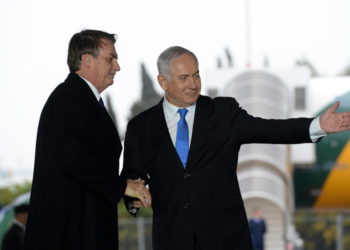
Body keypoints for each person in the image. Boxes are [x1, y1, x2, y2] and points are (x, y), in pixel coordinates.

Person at [121, 46, 350, 250]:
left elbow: (268, 129)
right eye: (183, 78)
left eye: (196, 75)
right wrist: (133, 199)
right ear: (163, 82)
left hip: (225, 236)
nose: (193, 84)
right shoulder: (141, 127)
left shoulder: (223, 112)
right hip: (172, 237)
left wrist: (317, 125)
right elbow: (133, 175)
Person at [23, 29, 151, 250]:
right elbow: (76, 159)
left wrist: (128, 190)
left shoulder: (84, 100)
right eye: (111, 59)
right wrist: (122, 186)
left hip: (85, 230)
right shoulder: (67, 99)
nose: (117, 66)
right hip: (69, 235)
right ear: (86, 60)